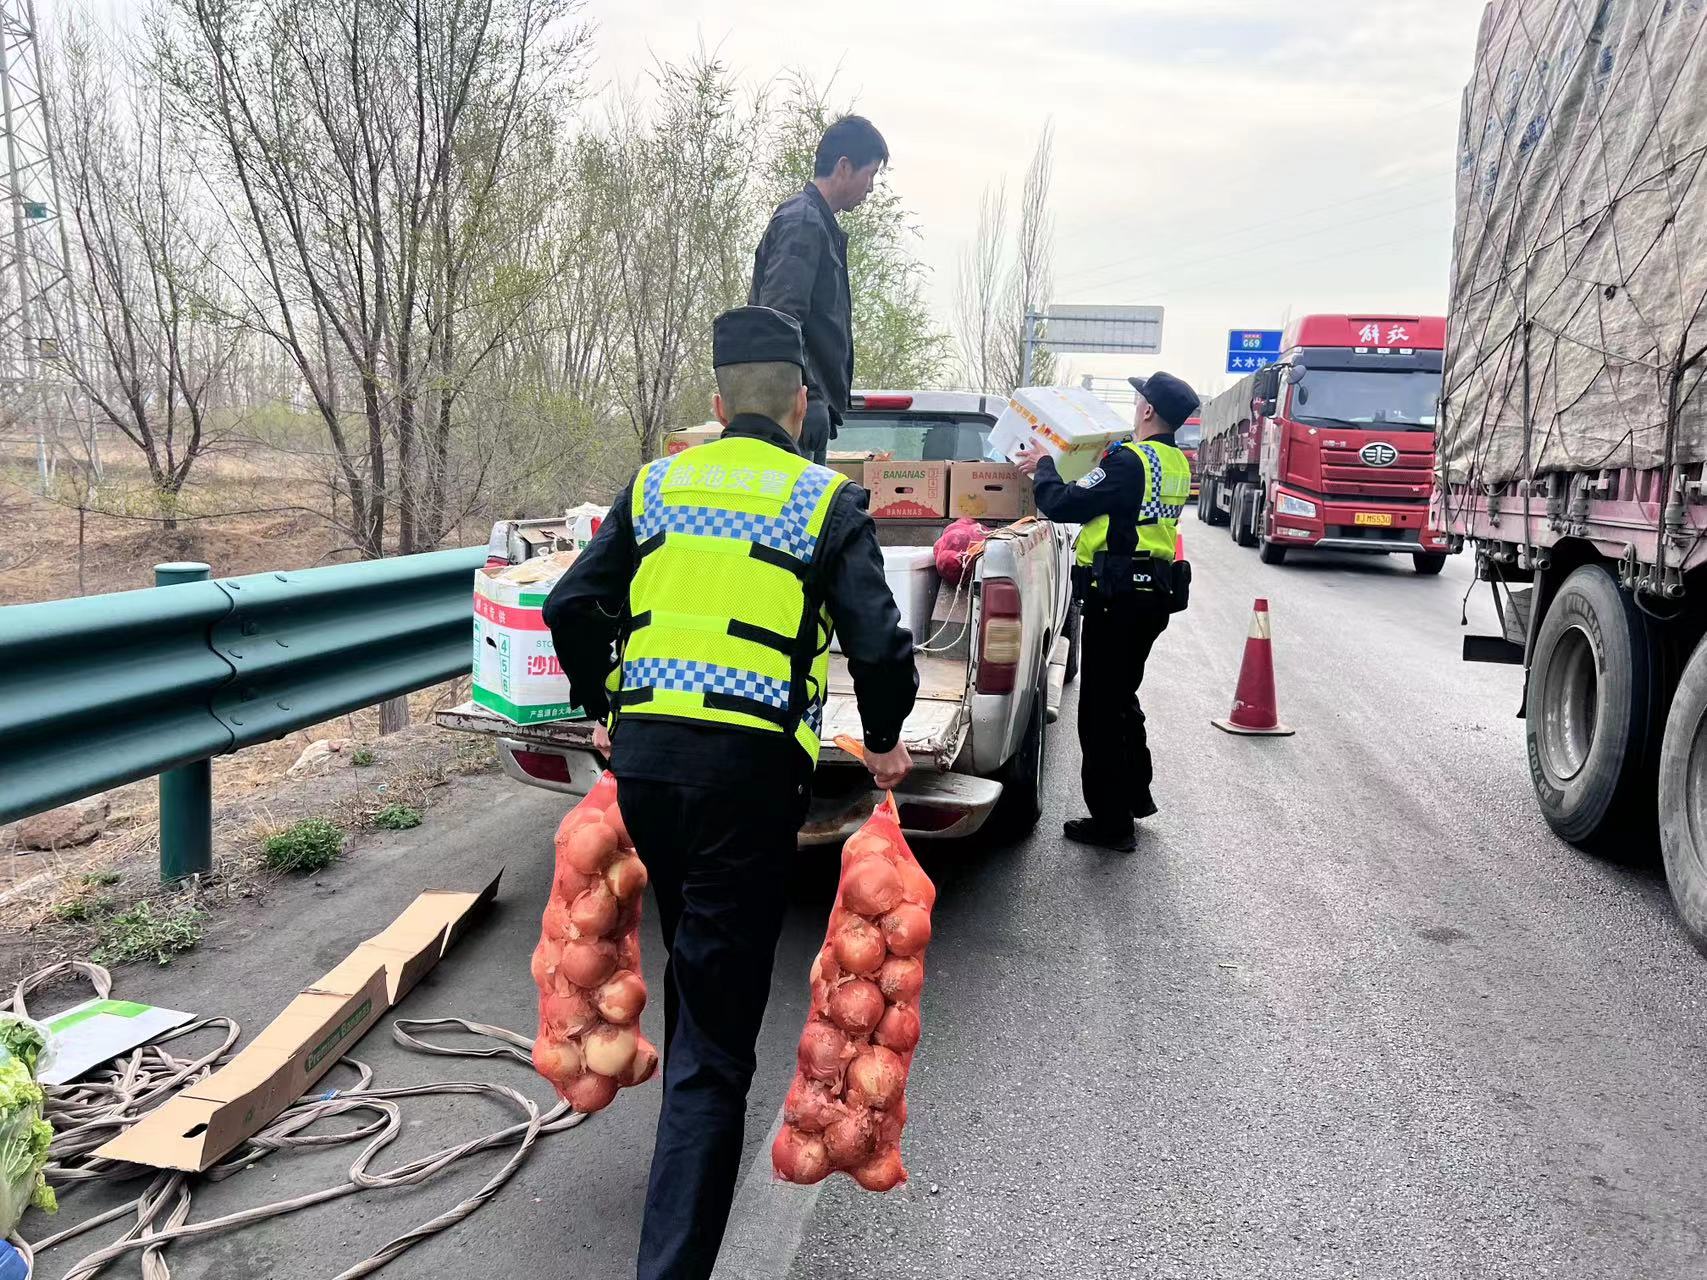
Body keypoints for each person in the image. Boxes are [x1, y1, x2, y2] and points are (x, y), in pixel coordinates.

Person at [542, 305, 918, 1280]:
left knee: (694, 959)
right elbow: (880, 645)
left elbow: (570, 603)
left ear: (717, 404)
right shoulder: (821, 500)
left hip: (653, 772)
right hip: (747, 780)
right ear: (799, 403)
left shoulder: (659, 482)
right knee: (715, 1050)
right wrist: (882, 745)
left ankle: (681, 1135)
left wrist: (606, 705)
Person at [1015, 371, 1199, 853]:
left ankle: (1112, 823)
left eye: (1139, 399)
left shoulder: (1128, 462)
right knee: (1121, 699)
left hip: (1117, 599)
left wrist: (1043, 467)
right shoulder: (1174, 462)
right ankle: (1135, 797)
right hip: (1152, 594)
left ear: (1147, 411)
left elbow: (1062, 503)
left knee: (1099, 711)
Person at [748, 115, 888, 464]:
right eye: (869, 174)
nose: (870, 187)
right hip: (788, 412)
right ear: (844, 166)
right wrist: (807, 397)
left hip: (798, 405)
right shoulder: (803, 222)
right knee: (796, 515)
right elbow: (781, 318)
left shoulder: (818, 223)